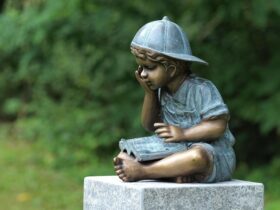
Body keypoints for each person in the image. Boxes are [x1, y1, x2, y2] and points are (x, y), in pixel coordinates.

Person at [113, 16, 235, 183]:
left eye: (149, 68)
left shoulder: (201, 89)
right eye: (140, 67)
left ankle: (144, 172)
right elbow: (149, 125)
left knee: (196, 158)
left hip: (211, 153)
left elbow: (218, 125)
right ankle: (175, 172)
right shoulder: (162, 91)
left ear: (171, 69)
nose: (142, 74)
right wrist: (149, 94)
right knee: (126, 154)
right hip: (174, 149)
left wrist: (183, 133)